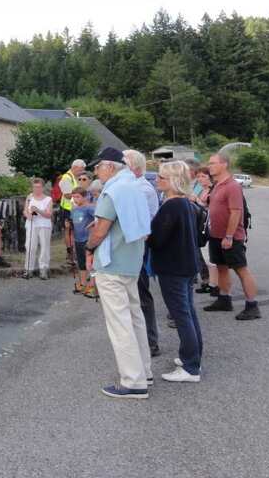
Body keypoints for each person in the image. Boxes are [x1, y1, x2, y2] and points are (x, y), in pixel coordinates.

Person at [85, 147, 152, 399]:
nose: (96, 172)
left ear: (110, 167)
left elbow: (101, 229)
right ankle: (144, 371)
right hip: (132, 260)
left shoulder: (112, 189)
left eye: (98, 167)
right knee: (135, 318)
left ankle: (133, 382)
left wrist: (88, 247)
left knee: (119, 323)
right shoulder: (135, 185)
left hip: (112, 263)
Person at [149, 161, 203, 383]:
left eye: (161, 177)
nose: (156, 180)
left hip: (174, 267)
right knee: (188, 312)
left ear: (172, 181)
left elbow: (157, 239)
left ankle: (191, 367)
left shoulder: (172, 205)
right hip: (186, 265)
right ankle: (193, 357)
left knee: (181, 315)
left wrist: (146, 235)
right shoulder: (186, 203)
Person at [204, 152, 261, 320]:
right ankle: (224, 299)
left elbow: (236, 213)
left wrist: (229, 236)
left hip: (230, 237)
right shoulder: (217, 184)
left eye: (213, 163)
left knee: (241, 269)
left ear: (224, 165)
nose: (209, 166)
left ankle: (252, 305)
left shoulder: (232, 186)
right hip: (215, 235)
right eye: (209, 163)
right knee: (221, 267)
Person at [123, 149, 161, 358]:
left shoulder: (142, 189)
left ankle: (150, 340)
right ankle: (142, 338)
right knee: (134, 294)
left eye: (124, 164)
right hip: (133, 246)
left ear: (133, 168)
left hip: (140, 247)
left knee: (141, 293)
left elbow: (140, 223)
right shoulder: (132, 186)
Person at [194, 166, 219, 295]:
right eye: (198, 176)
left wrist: (195, 200)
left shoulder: (213, 189)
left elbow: (209, 206)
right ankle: (208, 282)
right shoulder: (198, 188)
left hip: (209, 226)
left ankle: (214, 284)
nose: (200, 179)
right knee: (202, 256)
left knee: (210, 258)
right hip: (199, 225)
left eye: (203, 176)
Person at [23, 178, 52, 279]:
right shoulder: (29, 197)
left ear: (43, 187)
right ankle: (28, 269)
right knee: (30, 246)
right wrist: (28, 215)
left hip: (44, 225)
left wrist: (38, 210)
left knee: (44, 247)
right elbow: (25, 210)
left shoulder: (48, 199)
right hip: (32, 224)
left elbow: (49, 214)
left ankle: (43, 269)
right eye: (35, 187)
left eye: (39, 187)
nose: (37, 189)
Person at [69, 187, 95, 296]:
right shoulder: (74, 209)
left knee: (91, 264)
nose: (75, 199)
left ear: (84, 197)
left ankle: (92, 286)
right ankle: (83, 284)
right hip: (78, 239)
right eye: (73, 197)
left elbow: (98, 219)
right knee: (81, 264)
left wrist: (92, 225)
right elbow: (73, 224)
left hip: (87, 239)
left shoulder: (89, 208)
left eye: (78, 197)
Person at [59, 160, 86, 263]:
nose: (82, 171)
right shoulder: (66, 177)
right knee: (69, 231)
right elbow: (67, 194)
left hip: (76, 209)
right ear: (75, 167)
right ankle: (70, 253)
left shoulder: (75, 177)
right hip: (68, 209)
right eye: (81, 169)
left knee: (77, 230)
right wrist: (82, 195)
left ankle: (76, 252)